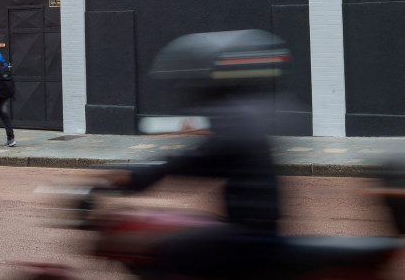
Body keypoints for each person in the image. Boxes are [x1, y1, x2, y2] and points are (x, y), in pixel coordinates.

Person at [104, 30, 289, 278]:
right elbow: (203, 158)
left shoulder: (232, 118)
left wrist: (136, 176)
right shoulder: (236, 113)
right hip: (251, 229)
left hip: (250, 236)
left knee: (159, 246)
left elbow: (195, 160)